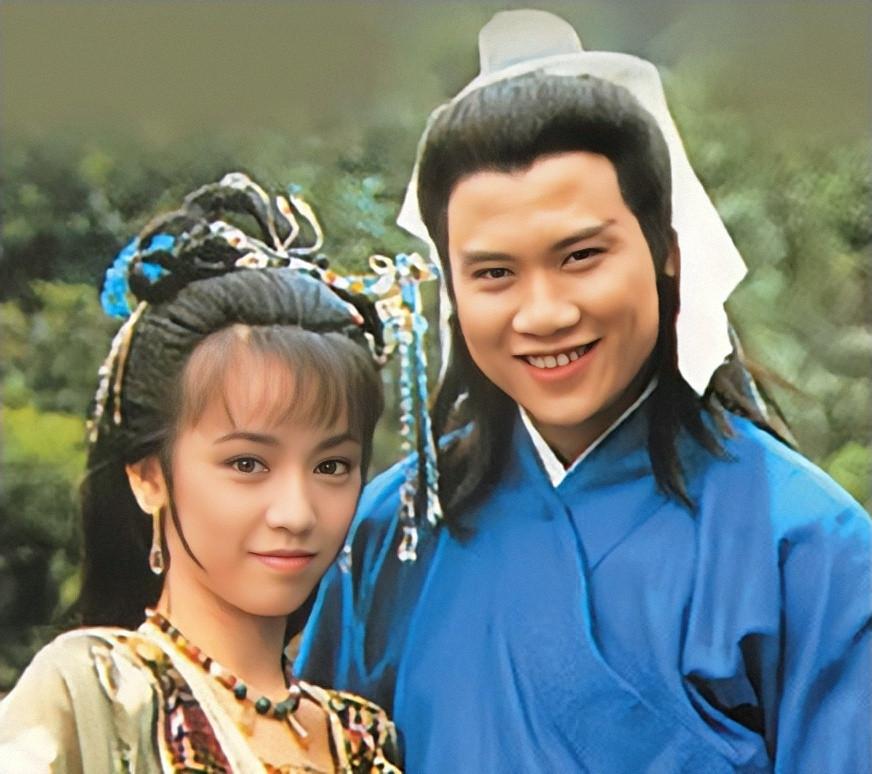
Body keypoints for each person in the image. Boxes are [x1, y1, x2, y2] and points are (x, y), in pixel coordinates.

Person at [297, 11, 871, 773]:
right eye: (494, 273)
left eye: (580, 256)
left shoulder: (807, 544)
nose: (543, 314)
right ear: (453, 292)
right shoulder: (391, 534)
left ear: (668, 252)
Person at [0, 173, 402, 773]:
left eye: (331, 466)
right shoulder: (96, 694)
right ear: (148, 476)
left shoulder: (361, 737)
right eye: (247, 463)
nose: (296, 512)